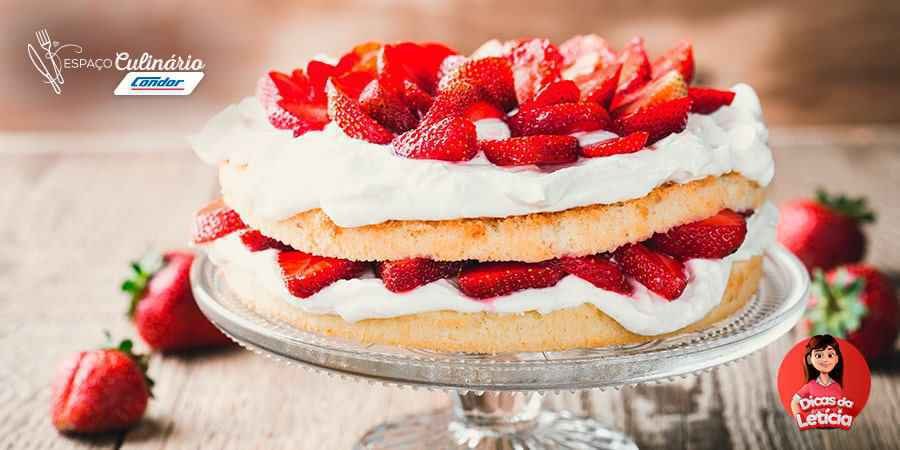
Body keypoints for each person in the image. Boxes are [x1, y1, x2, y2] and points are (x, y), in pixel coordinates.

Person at [790, 335, 844, 416]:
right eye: (818, 355)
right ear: (809, 359)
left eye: (830, 355)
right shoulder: (810, 385)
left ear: (836, 359)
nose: (825, 360)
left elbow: (841, 407)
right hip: (814, 423)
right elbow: (794, 402)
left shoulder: (837, 386)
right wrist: (800, 419)